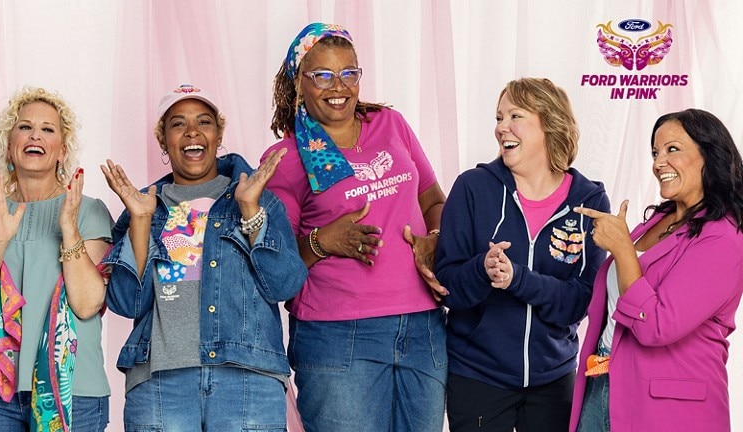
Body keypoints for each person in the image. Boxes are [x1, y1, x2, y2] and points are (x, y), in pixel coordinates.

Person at [263, 23, 448, 432]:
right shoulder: (285, 159)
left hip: (422, 326)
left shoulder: (391, 124)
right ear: (298, 82)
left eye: (349, 72)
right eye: (323, 75)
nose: (339, 86)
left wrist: (434, 240)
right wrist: (321, 242)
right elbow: (275, 268)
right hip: (338, 334)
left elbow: (434, 201)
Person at [101, 84, 307, 432]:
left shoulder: (254, 197)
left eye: (204, 122)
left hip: (246, 379)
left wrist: (249, 210)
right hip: (161, 385)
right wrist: (140, 220)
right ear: (163, 141)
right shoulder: (146, 207)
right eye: (178, 124)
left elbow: (285, 284)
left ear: (218, 135)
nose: (192, 131)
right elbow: (127, 302)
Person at [435, 78, 611, 432]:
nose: (502, 127)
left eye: (515, 116)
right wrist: (482, 270)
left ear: (549, 123)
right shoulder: (472, 188)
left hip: (554, 378)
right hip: (477, 376)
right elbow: (447, 286)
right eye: (499, 117)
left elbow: (580, 302)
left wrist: (519, 279)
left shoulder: (589, 203)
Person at [570, 109, 743, 432]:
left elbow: (657, 326)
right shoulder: (659, 219)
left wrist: (622, 248)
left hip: (670, 411)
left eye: (672, 149)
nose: (659, 162)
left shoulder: (724, 237)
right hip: (603, 384)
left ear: (709, 154)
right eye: (655, 152)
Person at [0, 87, 113, 431]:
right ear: (9, 145)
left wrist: (69, 228)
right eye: (24, 127)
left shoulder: (88, 211)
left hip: (74, 390)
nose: (35, 135)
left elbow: (87, 304)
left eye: (48, 129)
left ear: (61, 151)